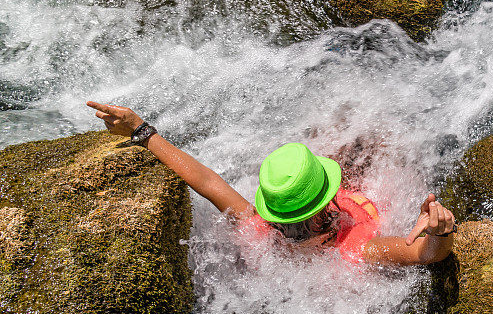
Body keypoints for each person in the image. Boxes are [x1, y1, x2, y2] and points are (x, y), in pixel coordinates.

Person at [86, 101, 456, 265]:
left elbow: (207, 182)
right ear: (329, 202)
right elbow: (425, 254)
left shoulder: (260, 230)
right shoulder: (356, 248)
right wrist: (441, 230)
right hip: (364, 205)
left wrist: (141, 130)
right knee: (367, 138)